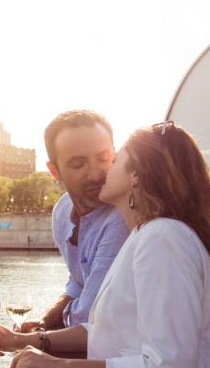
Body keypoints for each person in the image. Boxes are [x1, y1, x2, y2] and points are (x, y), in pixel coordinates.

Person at [0, 121, 210, 368]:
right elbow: (101, 330)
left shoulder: (162, 238)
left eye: (113, 159)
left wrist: (58, 366)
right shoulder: (146, 235)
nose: (101, 171)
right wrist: (18, 340)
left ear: (136, 175)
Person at [20, 110, 129, 332]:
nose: (95, 174)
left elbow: (90, 315)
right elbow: (79, 282)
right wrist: (44, 323)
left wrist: (33, 337)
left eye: (103, 158)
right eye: (78, 164)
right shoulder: (62, 210)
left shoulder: (123, 216)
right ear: (54, 171)